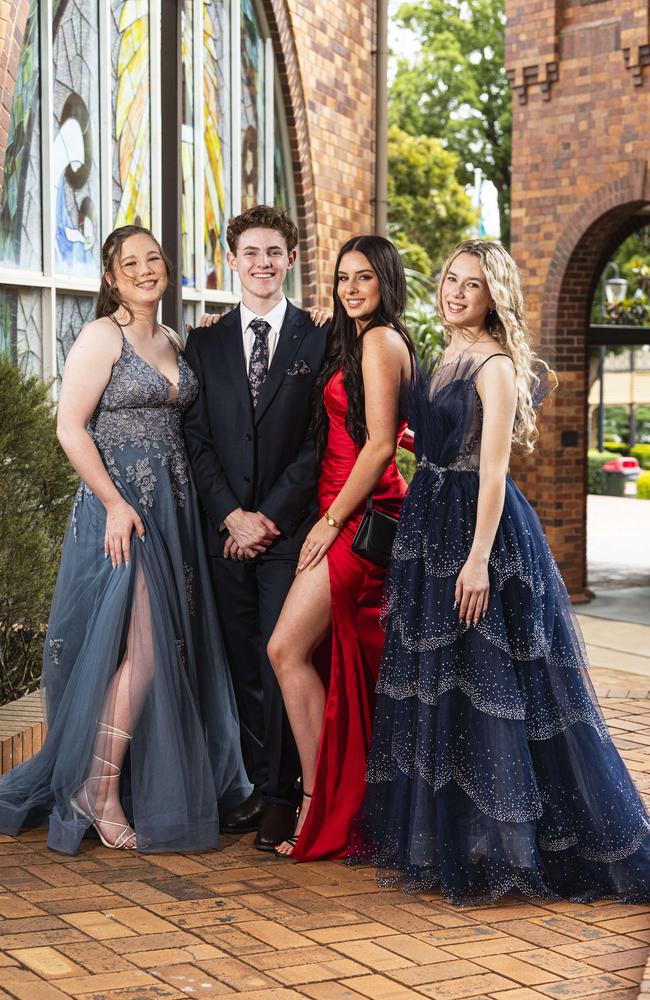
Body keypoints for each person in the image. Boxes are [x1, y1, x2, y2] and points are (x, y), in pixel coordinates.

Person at [351, 239, 650, 902]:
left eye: (472, 285)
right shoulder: (442, 351)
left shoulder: (494, 366)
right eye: (451, 279)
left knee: (498, 687)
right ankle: (457, 840)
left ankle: (514, 852)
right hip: (429, 520)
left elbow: (493, 472)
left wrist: (479, 560)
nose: (455, 292)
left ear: (493, 297)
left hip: (477, 532)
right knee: (444, 685)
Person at [0, 225, 251, 854]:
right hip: (123, 513)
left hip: (174, 511)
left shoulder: (169, 338)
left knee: (163, 644)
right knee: (142, 646)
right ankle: (98, 790)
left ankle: (108, 781)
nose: (145, 270)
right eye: (129, 263)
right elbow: (70, 427)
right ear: (111, 277)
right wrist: (113, 503)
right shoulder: (100, 336)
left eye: (154, 259)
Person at [183, 206, 327, 851]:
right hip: (226, 532)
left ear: (290, 260)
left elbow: (318, 444)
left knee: (280, 659)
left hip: (286, 535)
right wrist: (229, 515)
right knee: (241, 660)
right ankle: (253, 785)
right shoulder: (204, 342)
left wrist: (267, 517)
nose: (263, 263)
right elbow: (196, 435)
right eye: (251, 252)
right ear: (232, 259)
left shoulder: (318, 338)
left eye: (274, 252)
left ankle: (280, 796)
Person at [267, 235, 415, 860]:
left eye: (364, 278)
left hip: (356, 518)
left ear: (386, 282)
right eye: (343, 278)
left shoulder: (380, 341)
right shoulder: (361, 339)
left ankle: (318, 804)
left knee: (285, 649)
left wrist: (330, 522)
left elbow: (381, 445)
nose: (351, 288)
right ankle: (347, 804)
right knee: (338, 666)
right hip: (348, 509)